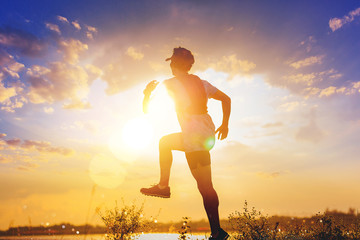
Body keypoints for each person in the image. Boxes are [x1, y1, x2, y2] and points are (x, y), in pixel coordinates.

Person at [140, 47, 231, 240]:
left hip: (193, 136)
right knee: (205, 186)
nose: (171, 66)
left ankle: (163, 186)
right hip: (205, 134)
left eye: (172, 63)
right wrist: (225, 125)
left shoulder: (170, 84)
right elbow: (226, 99)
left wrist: (147, 95)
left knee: (165, 144)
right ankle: (218, 232)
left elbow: (148, 111)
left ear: (174, 64)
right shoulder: (202, 83)